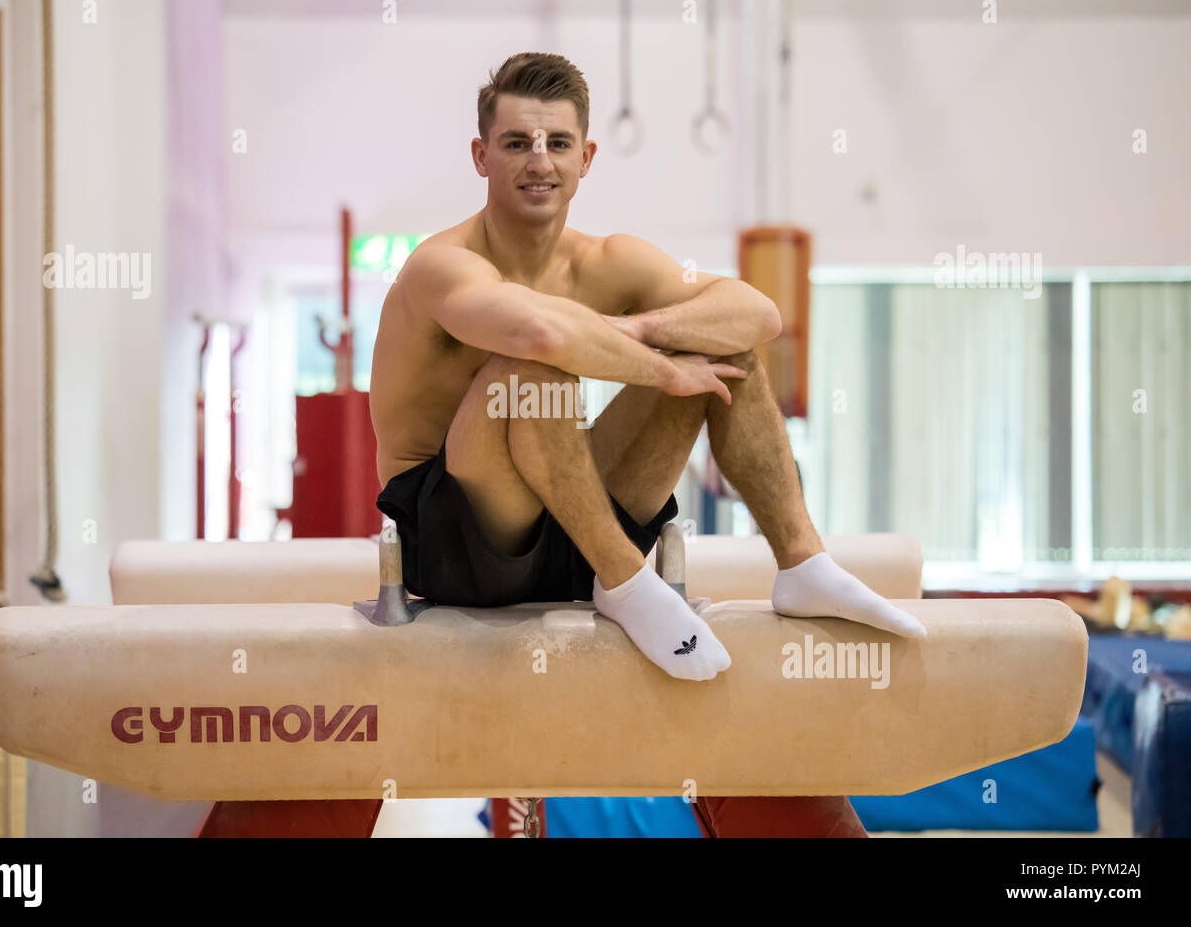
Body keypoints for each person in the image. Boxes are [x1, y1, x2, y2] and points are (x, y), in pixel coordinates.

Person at [202, 51, 922, 839]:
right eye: (515, 143)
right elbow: (537, 329)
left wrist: (642, 334)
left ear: (586, 156)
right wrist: (655, 367)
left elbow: (754, 312)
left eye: (555, 143)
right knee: (527, 366)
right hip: (458, 541)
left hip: (576, 522)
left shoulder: (609, 263)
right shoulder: (444, 265)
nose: (537, 161)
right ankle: (625, 580)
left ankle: (804, 564)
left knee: (729, 358)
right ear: (481, 155)